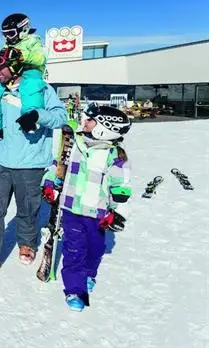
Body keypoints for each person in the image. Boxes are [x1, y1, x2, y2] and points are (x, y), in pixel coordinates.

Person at [0, 48, 67, 269]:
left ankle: (27, 243)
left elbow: (62, 117)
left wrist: (38, 115)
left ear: (14, 67)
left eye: (1, 67)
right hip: (1, 161)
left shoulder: (41, 90)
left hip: (30, 162)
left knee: (27, 208)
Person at [41, 104, 132, 311]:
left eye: (90, 121)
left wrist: (118, 211)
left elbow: (122, 185)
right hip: (71, 209)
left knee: (95, 248)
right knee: (74, 250)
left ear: (104, 128)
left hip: (98, 213)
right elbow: (58, 166)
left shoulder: (114, 154)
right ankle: (75, 289)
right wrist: (50, 184)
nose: (84, 122)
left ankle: (89, 273)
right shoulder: (75, 144)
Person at [0, 13, 48, 134]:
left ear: (23, 29)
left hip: (31, 70)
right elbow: (3, 56)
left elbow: (41, 58)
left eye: (11, 33)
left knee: (31, 85)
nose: (8, 37)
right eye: (5, 34)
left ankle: (31, 118)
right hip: (13, 72)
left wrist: (22, 55)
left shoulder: (33, 41)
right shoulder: (9, 43)